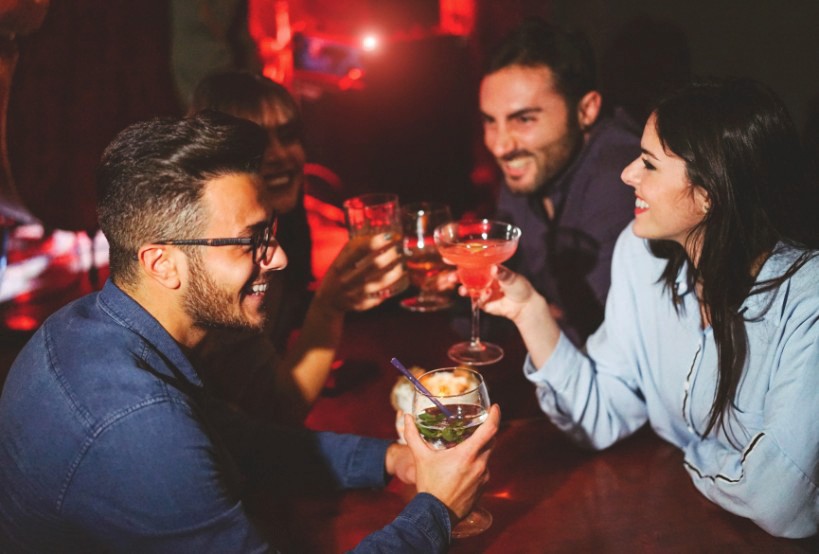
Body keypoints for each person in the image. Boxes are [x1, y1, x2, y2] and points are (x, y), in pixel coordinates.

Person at [0, 112, 501, 552]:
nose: (277, 258)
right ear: (163, 262)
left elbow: (242, 442)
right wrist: (436, 508)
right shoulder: (137, 424)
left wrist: (393, 460)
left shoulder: (89, 326)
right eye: (251, 241)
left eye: (272, 234)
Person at [479, 78, 819, 537]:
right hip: (692, 529)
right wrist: (529, 311)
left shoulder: (807, 299)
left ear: (708, 194)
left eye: (649, 164)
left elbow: (778, 502)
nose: (626, 175)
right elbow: (598, 418)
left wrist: (690, 453)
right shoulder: (640, 256)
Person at [187, 70, 396, 424]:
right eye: (256, 145)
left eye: (288, 136)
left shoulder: (273, 233)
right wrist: (329, 305)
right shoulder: (216, 265)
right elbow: (274, 409)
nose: (280, 155)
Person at [478, 18, 638, 345]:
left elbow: (605, 338)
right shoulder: (533, 165)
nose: (499, 145)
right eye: (490, 121)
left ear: (587, 110)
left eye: (523, 119)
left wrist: (534, 310)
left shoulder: (621, 179)